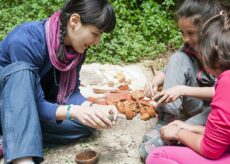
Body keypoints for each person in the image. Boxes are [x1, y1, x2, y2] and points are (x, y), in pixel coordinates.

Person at [0, 0, 117, 163]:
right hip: (8, 105)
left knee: (88, 123)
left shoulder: (76, 50)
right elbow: (30, 104)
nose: (97, 42)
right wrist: (73, 111)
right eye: (96, 34)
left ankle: (12, 140)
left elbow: (70, 94)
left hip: (31, 111)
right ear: (74, 21)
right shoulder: (26, 39)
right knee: (22, 71)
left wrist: (93, 108)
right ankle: (22, 158)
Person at [139, 0, 222, 159]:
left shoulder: (223, 50)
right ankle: (167, 118)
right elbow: (169, 69)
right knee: (177, 58)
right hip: (196, 103)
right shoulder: (191, 46)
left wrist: (182, 90)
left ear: (208, 28)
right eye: (182, 32)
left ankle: (178, 135)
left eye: (190, 33)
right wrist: (154, 82)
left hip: (215, 111)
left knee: (178, 134)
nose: (185, 38)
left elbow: (222, 91)